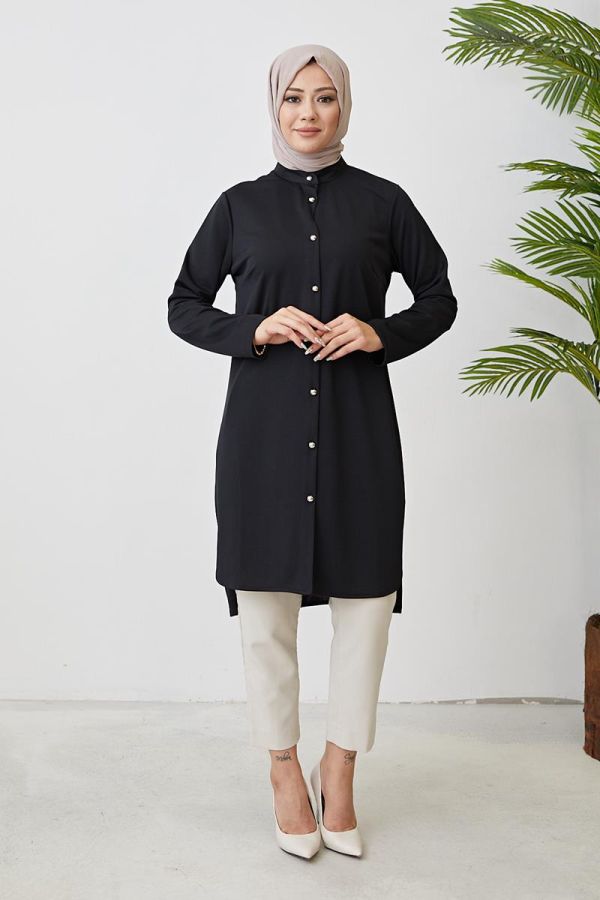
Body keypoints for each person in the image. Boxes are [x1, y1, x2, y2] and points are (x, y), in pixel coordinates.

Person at [167, 43, 458, 859]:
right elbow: (184, 304)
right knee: (265, 613)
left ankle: (341, 767)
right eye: (293, 97)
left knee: (366, 608)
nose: (308, 112)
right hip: (261, 441)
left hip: (360, 435)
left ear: (344, 106)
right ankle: (283, 771)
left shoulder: (384, 203)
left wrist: (379, 331)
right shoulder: (238, 207)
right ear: (275, 105)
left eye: (324, 96)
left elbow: (439, 297)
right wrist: (253, 328)